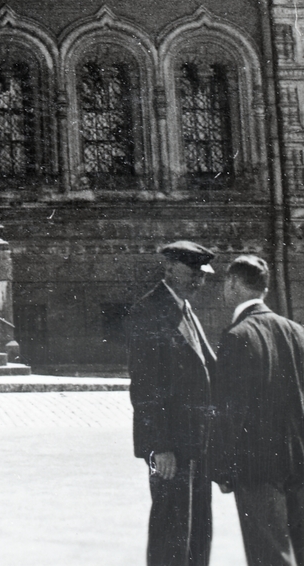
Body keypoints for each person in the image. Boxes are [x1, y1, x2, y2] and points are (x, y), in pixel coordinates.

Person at [211, 253, 304, 566]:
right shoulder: (296, 332)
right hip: (299, 460)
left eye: (226, 281)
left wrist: (221, 468)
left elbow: (230, 411)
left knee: (269, 555)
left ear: (235, 284)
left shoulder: (237, 336)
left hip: (257, 466)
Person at [129, 240, 218, 566]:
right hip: (170, 447)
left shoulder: (185, 308)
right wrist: (160, 446)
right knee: (172, 527)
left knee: (196, 527)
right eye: (192, 272)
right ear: (170, 269)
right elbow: (144, 387)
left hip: (196, 441)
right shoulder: (150, 310)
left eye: (202, 273)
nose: (199, 280)